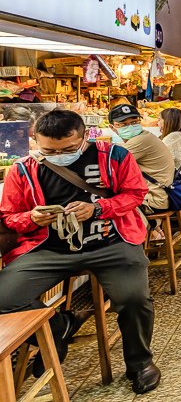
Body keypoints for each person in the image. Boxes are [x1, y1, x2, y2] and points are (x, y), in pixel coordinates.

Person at [0, 110, 161, 394]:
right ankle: (56, 327)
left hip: (112, 243)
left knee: (134, 298)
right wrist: (32, 218)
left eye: (68, 149)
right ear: (35, 141)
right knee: (3, 298)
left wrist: (99, 208)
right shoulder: (22, 169)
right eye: (49, 150)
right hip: (47, 249)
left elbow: (135, 193)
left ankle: (140, 363)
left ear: (84, 136)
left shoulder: (115, 156)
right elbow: (9, 216)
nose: (59, 155)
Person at [109, 104, 175, 213]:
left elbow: (110, 163)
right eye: (124, 124)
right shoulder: (143, 136)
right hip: (159, 195)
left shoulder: (141, 141)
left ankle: (151, 227)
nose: (130, 127)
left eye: (134, 122)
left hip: (153, 200)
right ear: (112, 127)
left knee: (106, 205)